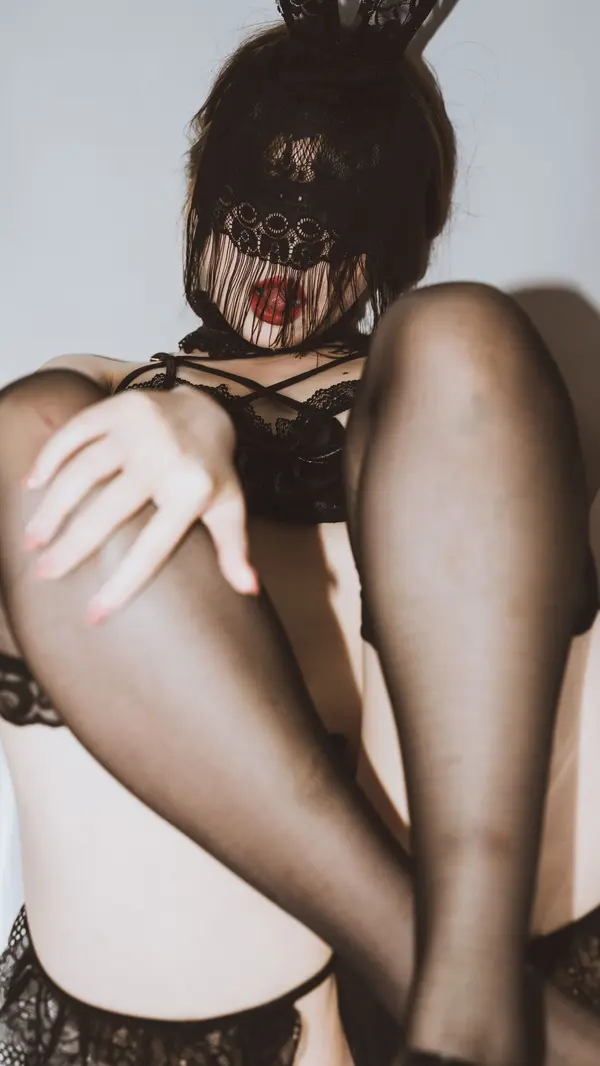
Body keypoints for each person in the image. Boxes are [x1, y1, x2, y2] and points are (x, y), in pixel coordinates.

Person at [1, 2, 600, 1064]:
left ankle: (462, 1007)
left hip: (495, 895)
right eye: (255, 209)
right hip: (210, 989)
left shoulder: (478, 384)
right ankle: (473, 1010)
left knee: (467, 340)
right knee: (34, 437)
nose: (282, 251)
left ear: (389, 246)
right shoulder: (87, 392)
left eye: (333, 221)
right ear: (201, 200)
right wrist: (191, 415)